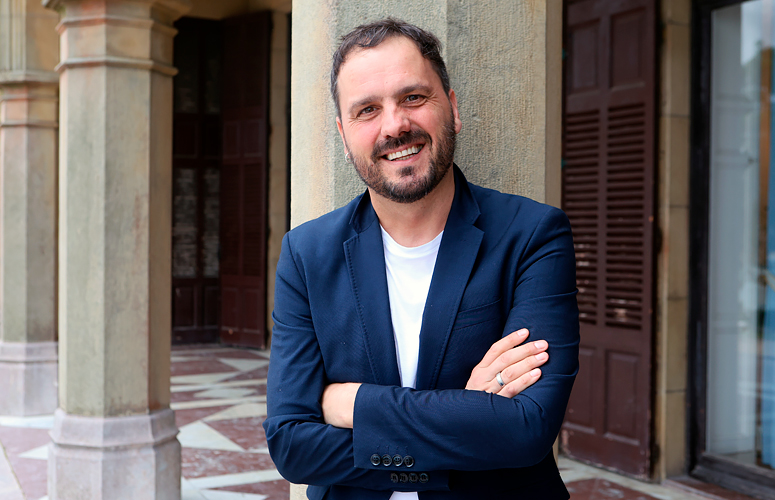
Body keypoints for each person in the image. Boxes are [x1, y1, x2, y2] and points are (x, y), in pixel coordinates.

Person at [263, 18, 579, 500]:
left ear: (452, 108)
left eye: (413, 97)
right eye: (368, 110)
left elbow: (526, 427)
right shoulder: (307, 254)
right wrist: (467, 413)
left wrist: (352, 403)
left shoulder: (532, 235)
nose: (395, 126)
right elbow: (292, 447)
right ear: (344, 134)